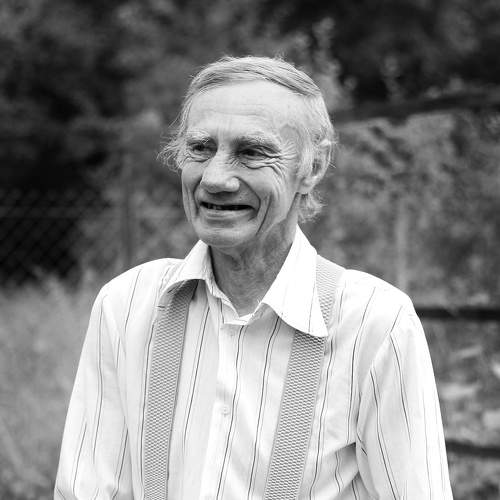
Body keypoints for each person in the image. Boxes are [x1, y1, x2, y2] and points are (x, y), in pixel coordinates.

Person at [55, 56, 453, 499]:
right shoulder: (127, 306)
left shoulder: (375, 323)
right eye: (200, 148)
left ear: (313, 168)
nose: (215, 178)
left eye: (252, 152)